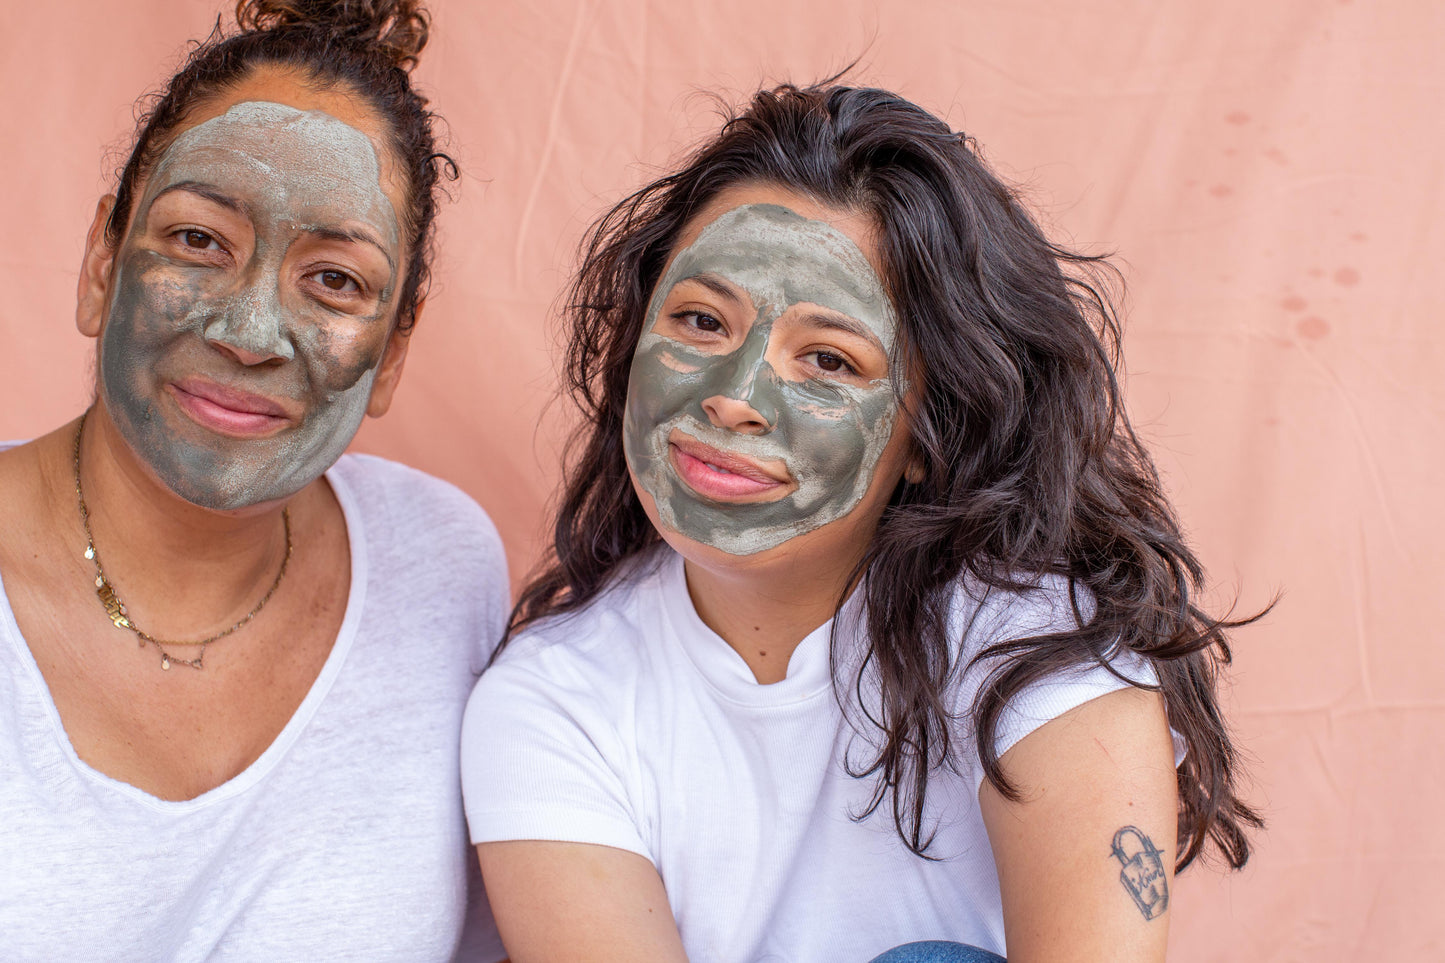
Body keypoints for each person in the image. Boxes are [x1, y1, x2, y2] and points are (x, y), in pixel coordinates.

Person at [460, 82, 1262, 962]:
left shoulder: (1031, 644)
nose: (732, 399)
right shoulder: (548, 699)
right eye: (698, 321)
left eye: (828, 360)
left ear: (926, 434)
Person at [0, 2, 507, 959]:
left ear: (395, 348)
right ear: (100, 266)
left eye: (335, 281)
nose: (248, 333)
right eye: (199, 241)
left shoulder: (443, 567)